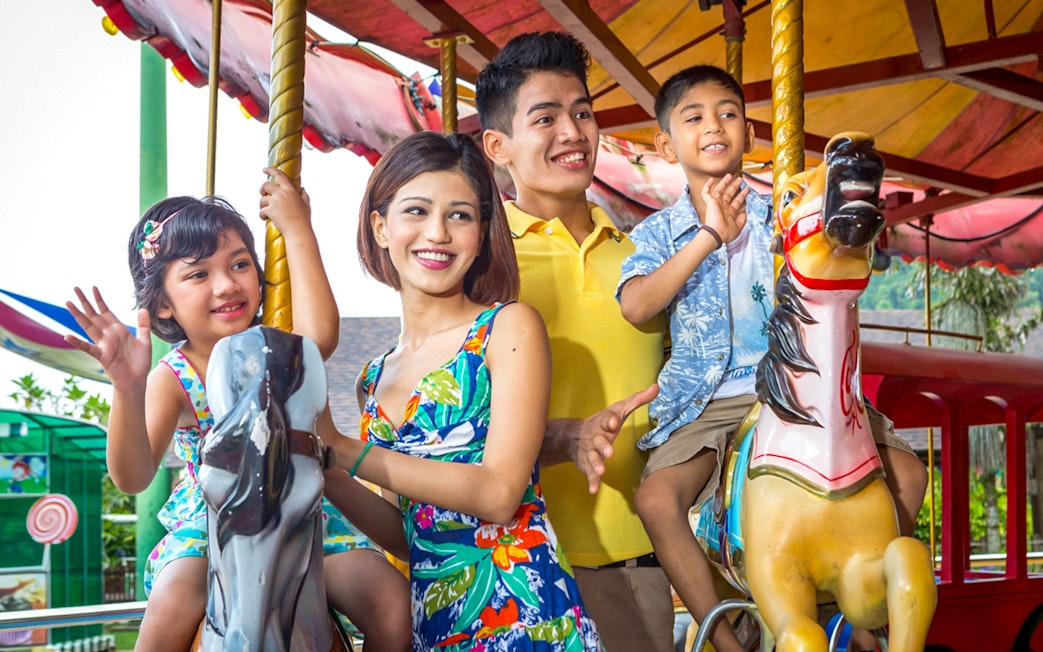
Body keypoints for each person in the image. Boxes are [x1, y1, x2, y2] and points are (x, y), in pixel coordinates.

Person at [616, 64, 929, 652]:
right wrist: (710, 234)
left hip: (799, 388)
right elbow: (636, 305)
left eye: (728, 114)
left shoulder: (781, 214)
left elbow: (830, 255)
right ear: (666, 145)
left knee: (909, 473)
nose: (714, 126)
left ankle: (862, 616)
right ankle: (724, 638)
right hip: (709, 403)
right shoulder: (658, 232)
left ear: (750, 134)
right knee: (657, 499)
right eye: (694, 117)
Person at [65, 170, 410, 652]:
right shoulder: (175, 377)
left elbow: (320, 338)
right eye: (198, 274)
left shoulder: (276, 349)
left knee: (394, 606)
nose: (227, 285)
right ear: (162, 305)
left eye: (240, 264)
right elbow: (133, 476)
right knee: (170, 609)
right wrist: (128, 388)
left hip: (302, 513)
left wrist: (297, 229)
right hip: (213, 524)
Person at [317, 131, 600, 651]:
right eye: (417, 211)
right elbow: (410, 533)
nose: (438, 233)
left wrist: (344, 450)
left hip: (522, 617)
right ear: (380, 227)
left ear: (483, 233)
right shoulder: (373, 379)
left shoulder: (506, 328)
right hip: (439, 622)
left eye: (460, 215)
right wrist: (324, 466)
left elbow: (497, 495)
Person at [477, 31, 675, 651]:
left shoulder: (644, 258)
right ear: (497, 146)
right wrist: (566, 435)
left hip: (640, 556)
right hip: (517, 560)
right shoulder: (482, 264)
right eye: (546, 118)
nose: (572, 132)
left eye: (582, 113)